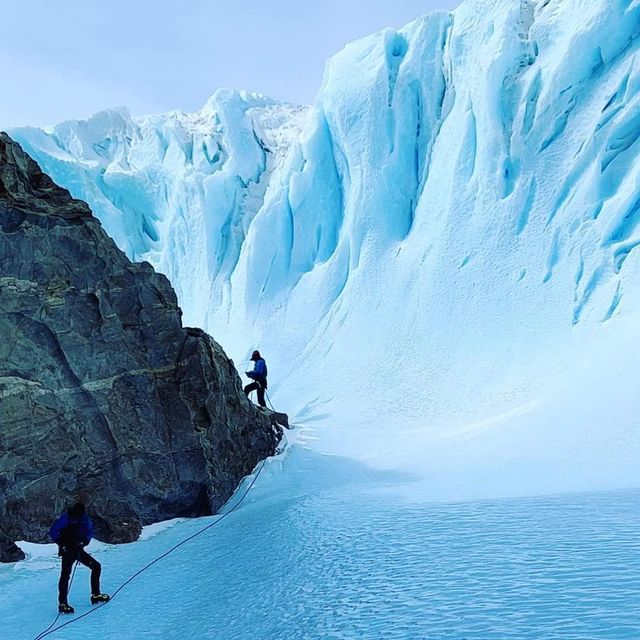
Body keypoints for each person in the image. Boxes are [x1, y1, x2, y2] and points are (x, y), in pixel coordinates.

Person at [49, 502, 110, 614]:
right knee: (66, 574)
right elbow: (53, 531)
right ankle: (63, 603)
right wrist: (63, 544)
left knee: (93, 568)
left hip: (76, 549)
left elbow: (88, 531)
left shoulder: (81, 518)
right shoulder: (68, 517)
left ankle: (94, 595)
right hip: (68, 550)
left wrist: (84, 542)